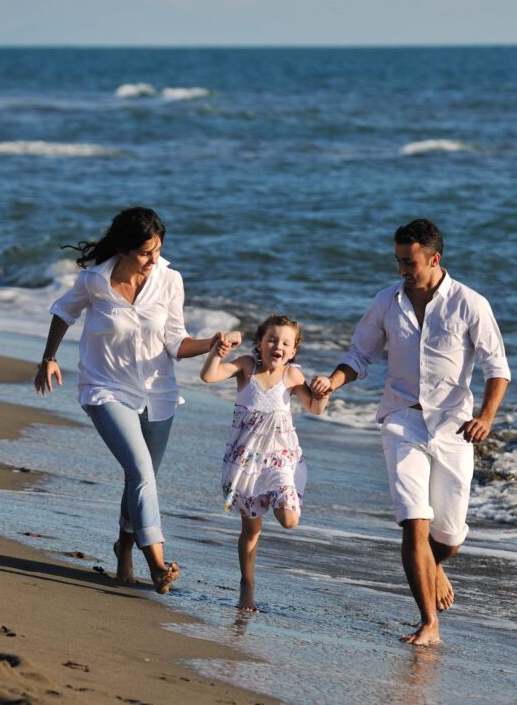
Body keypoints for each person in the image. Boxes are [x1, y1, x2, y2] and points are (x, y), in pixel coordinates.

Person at [310, 219, 510, 645]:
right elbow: (359, 354)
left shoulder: (470, 303)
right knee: (414, 522)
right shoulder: (387, 302)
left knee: (450, 538)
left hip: (454, 427)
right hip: (402, 419)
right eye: (398, 260)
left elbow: (497, 369)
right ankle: (428, 623)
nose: (402, 269)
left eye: (410, 261)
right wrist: (334, 380)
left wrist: (487, 417)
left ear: (434, 259)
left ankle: (434, 565)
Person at [34, 206, 237, 594]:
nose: (152, 259)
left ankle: (123, 549)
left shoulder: (169, 280)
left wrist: (211, 343)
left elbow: (176, 342)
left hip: (158, 394)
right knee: (142, 471)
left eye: (158, 250)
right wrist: (49, 358)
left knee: (141, 477)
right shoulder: (95, 280)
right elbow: (63, 311)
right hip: (105, 389)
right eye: (145, 252)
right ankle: (157, 563)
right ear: (124, 249)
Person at [200, 315, 328, 610]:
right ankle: (247, 584)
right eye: (271, 339)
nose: (277, 346)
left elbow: (316, 408)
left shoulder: (293, 375)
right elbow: (209, 376)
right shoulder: (247, 366)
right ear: (260, 343)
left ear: (293, 350)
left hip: (281, 459)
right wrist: (216, 353)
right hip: (246, 462)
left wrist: (324, 391)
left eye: (285, 342)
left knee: (289, 520)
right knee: (251, 530)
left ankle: (279, 499)